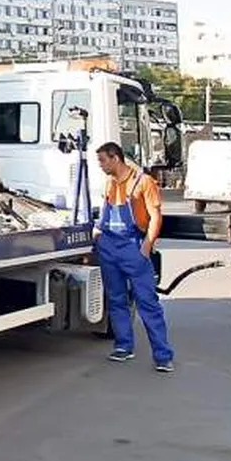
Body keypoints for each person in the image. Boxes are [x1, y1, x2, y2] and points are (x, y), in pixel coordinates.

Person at [94, 141, 175, 372]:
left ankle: (162, 356)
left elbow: (155, 216)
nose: (100, 165)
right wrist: (99, 233)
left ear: (115, 158)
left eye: (102, 160)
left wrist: (146, 246)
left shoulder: (143, 182)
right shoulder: (110, 183)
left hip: (133, 246)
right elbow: (106, 208)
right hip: (110, 245)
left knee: (147, 302)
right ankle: (123, 347)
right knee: (117, 300)